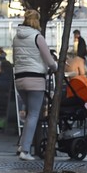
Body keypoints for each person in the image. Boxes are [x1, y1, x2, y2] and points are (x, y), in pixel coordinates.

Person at [13, 9, 57, 161]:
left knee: (29, 113)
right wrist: (55, 67)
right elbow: (49, 60)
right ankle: (25, 151)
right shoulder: (38, 37)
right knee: (33, 114)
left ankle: (22, 145)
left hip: (20, 79)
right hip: (35, 79)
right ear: (36, 21)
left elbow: (15, 58)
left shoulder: (16, 37)